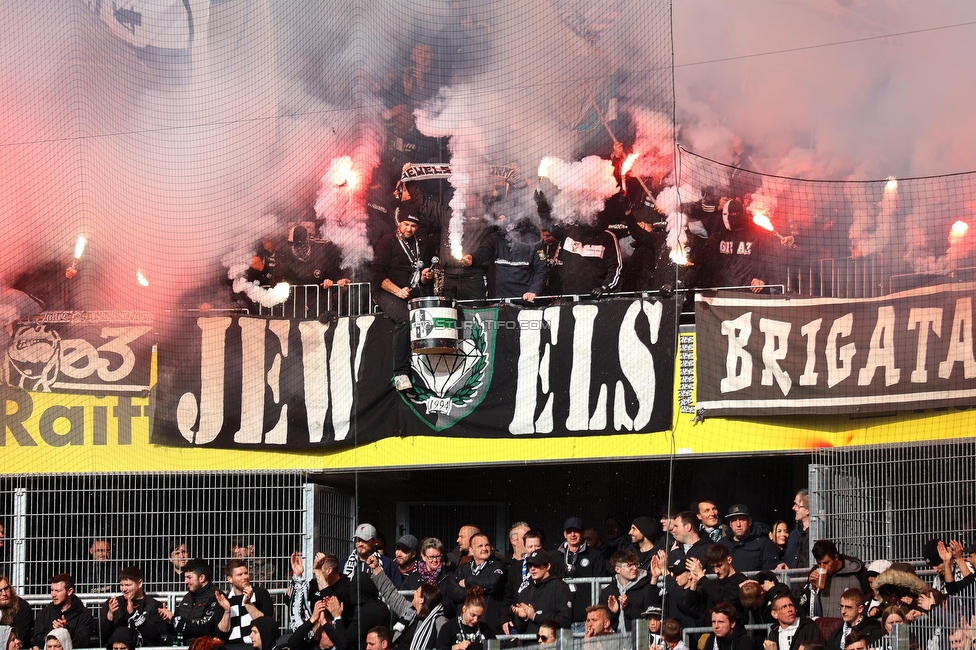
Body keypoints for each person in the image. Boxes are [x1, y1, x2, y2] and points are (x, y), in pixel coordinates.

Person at [369, 213, 435, 391]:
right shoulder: (387, 241)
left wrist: (426, 277)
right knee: (405, 319)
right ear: (399, 223)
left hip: (411, 292)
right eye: (406, 224)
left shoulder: (420, 244)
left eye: (413, 226)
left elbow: (422, 279)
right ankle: (400, 374)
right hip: (384, 291)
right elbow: (376, 274)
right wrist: (397, 291)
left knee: (431, 314)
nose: (409, 229)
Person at [365, 553, 445, 650]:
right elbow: (390, 594)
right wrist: (376, 569)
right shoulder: (409, 611)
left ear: (422, 600)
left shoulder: (439, 622)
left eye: (417, 592)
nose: (414, 593)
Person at [460, 217, 548, 303]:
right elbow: (483, 252)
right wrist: (473, 258)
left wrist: (534, 290)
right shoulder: (494, 239)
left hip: (525, 300)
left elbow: (541, 270)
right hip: (499, 301)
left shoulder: (534, 242)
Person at [552, 517, 607, 633]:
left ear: (582, 533)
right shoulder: (555, 557)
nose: (572, 535)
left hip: (585, 619)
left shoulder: (595, 556)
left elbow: (601, 587)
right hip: (562, 619)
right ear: (564, 534)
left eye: (576, 531)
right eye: (569, 531)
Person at [159, 558, 230, 644]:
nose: (185, 582)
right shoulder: (187, 597)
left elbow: (205, 628)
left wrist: (175, 620)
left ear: (202, 578)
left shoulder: (217, 597)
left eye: (189, 577)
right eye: (185, 578)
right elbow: (175, 627)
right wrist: (168, 620)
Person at [445, 534, 505, 634]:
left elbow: (493, 582)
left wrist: (468, 581)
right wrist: (477, 592)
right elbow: (453, 591)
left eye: (487, 545)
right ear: (471, 550)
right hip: (464, 627)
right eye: (480, 546)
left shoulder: (497, 565)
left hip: (488, 626)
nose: (485, 549)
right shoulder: (462, 568)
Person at [98, 566, 168, 648]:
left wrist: (134, 614)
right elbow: (101, 636)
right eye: (121, 585)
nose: (124, 589)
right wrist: (110, 617)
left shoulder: (154, 605)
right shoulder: (113, 604)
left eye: (127, 585)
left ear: (140, 583)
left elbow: (155, 633)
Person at [510, 550, 573, 634]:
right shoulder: (526, 590)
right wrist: (523, 618)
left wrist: (535, 617)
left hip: (550, 644)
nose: (532, 568)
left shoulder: (560, 587)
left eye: (536, 565)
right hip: (529, 644)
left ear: (547, 566)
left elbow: (565, 620)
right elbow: (520, 630)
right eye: (530, 565)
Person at [600, 549, 660, 633]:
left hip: (639, 639)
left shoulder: (646, 587)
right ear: (617, 569)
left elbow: (650, 615)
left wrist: (627, 607)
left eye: (635, 564)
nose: (634, 568)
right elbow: (603, 623)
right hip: (615, 641)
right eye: (629, 565)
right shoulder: (607, 592)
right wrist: (613, 612)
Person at [219, 559, 275, 646]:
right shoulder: (226, 600)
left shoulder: (260, 593)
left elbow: (266, 624)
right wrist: (227, 611)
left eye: (246, 573)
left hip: (255, 646)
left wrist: (248, 604)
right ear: (230, 579)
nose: (245, 577)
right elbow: (221, 633)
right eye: (240, 575)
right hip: (232, 646)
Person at [31, 574, 94, 650]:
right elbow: (37, 640)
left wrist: (66, 631)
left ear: (69, 591)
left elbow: (83, 642)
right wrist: (54, 633)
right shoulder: (44, 614)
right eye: (52, 590)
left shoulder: (84, 614)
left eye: (57, 591)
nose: (53, 594)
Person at [808, 541, 868, 618]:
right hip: (824, 626)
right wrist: (813, 587)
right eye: (819, 563)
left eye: (826, 563)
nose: (822, 567)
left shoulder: (857, 572)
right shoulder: (815, 574)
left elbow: (868, 598)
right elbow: (808, 605)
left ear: (836, 558)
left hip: (850, 627)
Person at [501, 530, 543, 634]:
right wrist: (505, 618)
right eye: (530, 547)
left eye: (537, 546)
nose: (534, 550)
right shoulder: (515, 567)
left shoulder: (549, 566)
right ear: (525, 547)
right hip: (520, 621)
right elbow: (508, 596)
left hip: (541, 621)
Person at [718, 505, 780, 572]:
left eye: (742, 520)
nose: (738, 524)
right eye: (734, 520)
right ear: (730, 524)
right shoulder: (722, 544)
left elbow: (770, 575)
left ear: (749, 521)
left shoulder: (764, 544)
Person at [781, 491, 811, 570]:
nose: (793, 508)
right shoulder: (794, 534)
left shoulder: (815, 535)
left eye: (797, 505)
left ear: (807, 510)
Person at [0, 576, 33, 646]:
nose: (4, 594)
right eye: (0, 591)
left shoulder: (22, 607)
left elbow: (20, 638)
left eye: (6, 588)